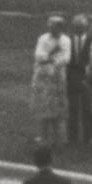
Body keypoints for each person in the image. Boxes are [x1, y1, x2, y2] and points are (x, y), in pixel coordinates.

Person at [30, 14, 69, 150]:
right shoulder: (43, 38)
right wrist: (52, 54)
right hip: (43, 79)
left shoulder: (65, 40)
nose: (51, 29)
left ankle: (59, 140)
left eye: (54, 27)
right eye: (50, 26)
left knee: (58, 112)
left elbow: (64, 59)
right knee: (43, 111)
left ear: (60, 28)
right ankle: (44, 139)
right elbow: (39, 56)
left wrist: (49, 58)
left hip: (57, 80)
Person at [64, 14, 92, 147]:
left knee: (88, 110)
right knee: (72, 110)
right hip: (72, 79)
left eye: (81, 26)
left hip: (88, 79)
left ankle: (88, 138)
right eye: (77, 26)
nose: (79, 29)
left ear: (86, 27)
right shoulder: (67, 40)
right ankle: (73, 138)